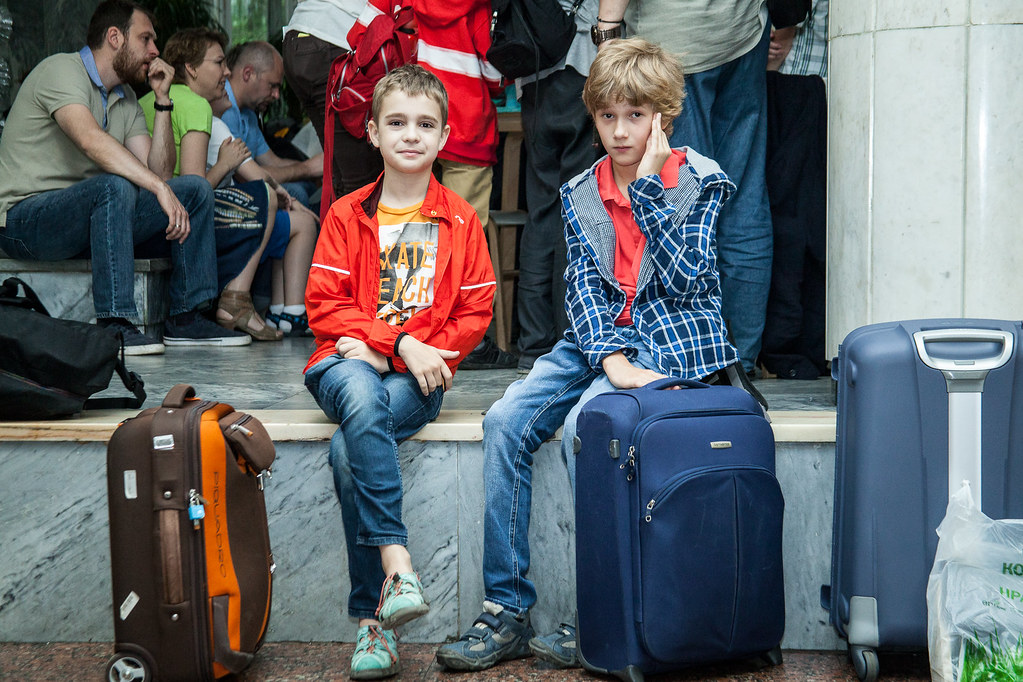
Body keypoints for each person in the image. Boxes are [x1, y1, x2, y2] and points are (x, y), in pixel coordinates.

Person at [436, 38, 755, 672]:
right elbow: (582, 286)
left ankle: (599, 614)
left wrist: (651, 192)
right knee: (504, 422)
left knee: (592, 425)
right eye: (608, 116)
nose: (620, 131)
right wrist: (609, 358)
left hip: (672, 337)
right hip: (599, 340)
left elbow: (688, 280)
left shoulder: (701, 179)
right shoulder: (583, 189)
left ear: (664, 116)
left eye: (635, 115)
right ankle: (506, 609)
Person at [303, 64, 496, 680]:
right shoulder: (345, 214)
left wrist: (393, 353)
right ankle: (399, 564)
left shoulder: (461, 220)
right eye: (397, 123)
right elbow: (325, 306)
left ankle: (373, 623)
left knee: (346, 451)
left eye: (425, 124)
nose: (411, 135)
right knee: (359, 390)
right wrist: (400, 343)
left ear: (444, 137)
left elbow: (476, 310)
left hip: (417, 379)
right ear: (373, 133)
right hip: (341, 364)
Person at [0, 0, 248, 354]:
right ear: (115, 37)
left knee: (193, 189)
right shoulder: (60, 70)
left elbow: (159, 172)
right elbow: (90, 140)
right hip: (23, 221)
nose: (155, 50)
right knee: (114, 186)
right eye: (146, 39)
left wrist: (162, 101)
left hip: (89, 219)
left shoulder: (126, 97)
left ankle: (187, 316)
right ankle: (115, 322)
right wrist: (158, 187)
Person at [595, 0, 773, 376]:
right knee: (743, 199)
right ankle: (739, 364)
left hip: (671, 40)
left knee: (677, 207)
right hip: (742, 30)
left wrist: (607, 31)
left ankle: (694, 361)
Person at [139, 28, 282, 341]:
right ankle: (227, 301)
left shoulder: (146, 99)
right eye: (219, 63)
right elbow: (196, 192)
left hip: (145, 219)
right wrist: (225, 164)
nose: (226, 72)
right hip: (174, 223)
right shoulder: (195, 105)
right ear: (191, 68)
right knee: (261, 197)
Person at [513, 0, 600, 374]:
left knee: (543, 208)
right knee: (578, 207)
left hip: (534, 70)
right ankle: (570, 337)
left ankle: (534, 343)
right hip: (584, 60)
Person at [207, 93, 319, 337]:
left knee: (291, 212)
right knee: (298, 218)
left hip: (220, 215)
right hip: (228, 220)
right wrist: (285, 194)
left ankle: (279, 311)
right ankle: (293, 312)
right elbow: (256, 175)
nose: (225, 77)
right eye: (222, 83)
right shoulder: (214, 125)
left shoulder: (236, 118)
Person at [282, 0, 384, 202]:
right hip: (335, 36)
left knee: (338, 175)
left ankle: (338, 222)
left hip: (299, 35)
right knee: (362, 183)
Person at [221, 40, 324, 209]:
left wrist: (315, 165)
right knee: (297, 192)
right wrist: (308, 168)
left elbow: (272, 161)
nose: (276, 95)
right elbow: (246, 175)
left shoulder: (248, 113)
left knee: (307, 187)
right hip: (230, 197)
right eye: (272, 86)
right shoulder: (224, 107)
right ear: (248, 74)